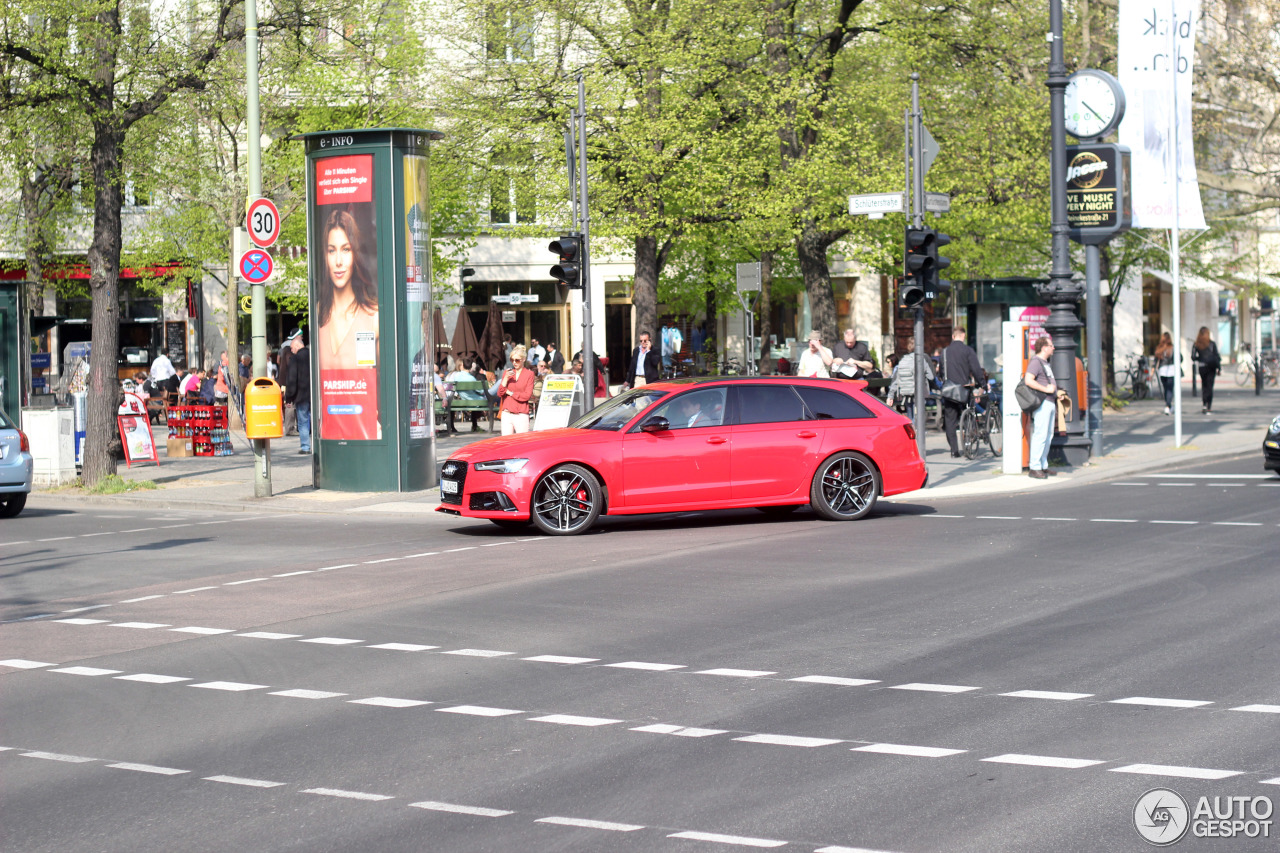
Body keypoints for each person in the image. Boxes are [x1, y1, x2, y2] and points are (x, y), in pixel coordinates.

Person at [317, 210, 379, 373]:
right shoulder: (319, 313)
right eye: (332, 250)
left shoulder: (374, 317)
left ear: (355, 254)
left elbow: (382, 382)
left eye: (346, 249)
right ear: (325, 255)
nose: (338, 261)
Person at [940, 328, 985, 457]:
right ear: (963, 336)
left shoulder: (945, 352)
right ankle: (969, 441)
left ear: (953, 336)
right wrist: (981, 383)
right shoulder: (968, 350)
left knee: (950, 420)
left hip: (949, 391)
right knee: (968, 414)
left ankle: (954, 450)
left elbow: (942, 372)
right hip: (964, 389)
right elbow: (976, 369)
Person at [1024, 336, 1058, 479]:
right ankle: (1035, 467)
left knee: (1048, 435)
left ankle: (1043, 465)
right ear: (1044, 347)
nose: (1053, 348)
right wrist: (1046, 389)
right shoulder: (1036, 362)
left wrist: (1057, 392)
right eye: (1051, 345)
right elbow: (1028, 380)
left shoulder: (1045, 363)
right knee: (1041, 434)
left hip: (1049, 401)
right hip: (1043, 402)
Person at [887, 337, 935, 421]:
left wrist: (890, 396)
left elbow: (895, 380)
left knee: (910, 415)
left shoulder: (903, 360)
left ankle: (912, 431)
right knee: (920, 418)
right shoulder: (922, 359)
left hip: (906, 393)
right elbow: (931, 377)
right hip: (919, 393)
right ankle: (919, 432)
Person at [497, 345, 535, 435]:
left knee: (522, 444)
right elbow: (500, 393)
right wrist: (505, 378)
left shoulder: (529, 374)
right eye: (512, 360)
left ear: (523, 359)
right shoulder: (507, 373)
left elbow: (526, 396)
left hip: (521, 413)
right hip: (507, 412)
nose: (514, 362)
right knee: (506, 444)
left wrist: (510, 393)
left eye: (517, 360)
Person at [284, 332, 312, 453]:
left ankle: (305, 447)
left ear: (297, 346)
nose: (291, 350)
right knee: (314, 419)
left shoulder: (295, 359)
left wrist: (289, 397)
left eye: (291, 347)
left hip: (302, 396)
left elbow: (291, 379)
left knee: (303, 421)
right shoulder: (312, 355)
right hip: (314, 395)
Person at [447, 360, 486, 432]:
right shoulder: (470, 378)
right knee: (479, 399)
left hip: (456, 399)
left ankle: (451, 426)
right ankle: (474, 425)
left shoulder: (455, 375)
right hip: (470, 401)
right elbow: (481, 391)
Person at [1192, 326, 1221, 414]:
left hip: (1202, 367)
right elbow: (1217, 356)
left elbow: (1193, 357)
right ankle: (1209, 406)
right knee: (1210, 386)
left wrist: (1200, 358)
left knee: (1204, 385)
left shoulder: (1196, 344)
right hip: (1211, 367)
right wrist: (1219, 368)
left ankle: (1204, 404)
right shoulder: (1212, 344)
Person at [1154, 331, 1176, 414]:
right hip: (1171, 370)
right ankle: (1168, 405)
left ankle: (1168, 405)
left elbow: (1156, 360)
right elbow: (1180, 358)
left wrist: (1153, 370)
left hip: (1162, 370)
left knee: (1166, 388)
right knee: (1170, 389)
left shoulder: (1159, 348)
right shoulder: (1172, 347)